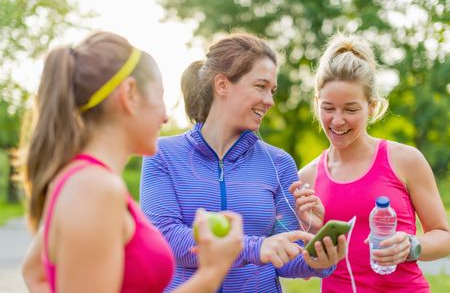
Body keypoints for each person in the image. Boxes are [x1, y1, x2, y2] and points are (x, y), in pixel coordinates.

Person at [20, 31, 244, 293]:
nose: (164, 116)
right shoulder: (94, 188)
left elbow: (35, 274)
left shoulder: (83, 179)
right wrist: (212, 272)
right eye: (161, 96)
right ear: (130, 94)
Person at [140, 33, 346, 293]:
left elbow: (284, 257)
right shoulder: (163, 154)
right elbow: (166, 238)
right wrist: (256, 247)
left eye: (272, 91)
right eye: (260, 86)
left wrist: (317, 258)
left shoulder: (279, 163)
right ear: (222, 84)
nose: (270, 101)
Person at [294, 33, 450, 292]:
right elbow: (303, 266)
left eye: (351, 109)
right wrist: (312, 229)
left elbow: (444, 237)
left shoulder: (405, 160)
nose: (338, 120)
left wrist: (412, 246)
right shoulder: (306, 177)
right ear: (316, 104)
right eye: (328, 108)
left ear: (372, 106)